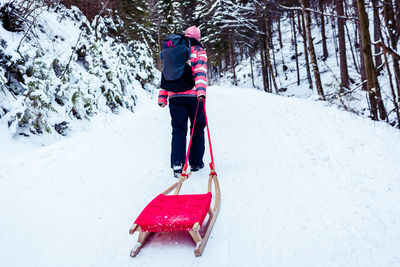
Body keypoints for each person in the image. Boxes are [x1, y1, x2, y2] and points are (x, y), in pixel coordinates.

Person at [158, 25, 208, 177]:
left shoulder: (174, 52)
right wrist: (201, 92)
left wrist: (162, 96)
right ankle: (196, 162)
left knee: (178, 129)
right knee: (197, 128)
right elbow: (200, 72)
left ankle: (177, 163)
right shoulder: (199, 52)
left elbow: (167, 74)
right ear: (198, 38)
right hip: (194, 96)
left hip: (174, 96)